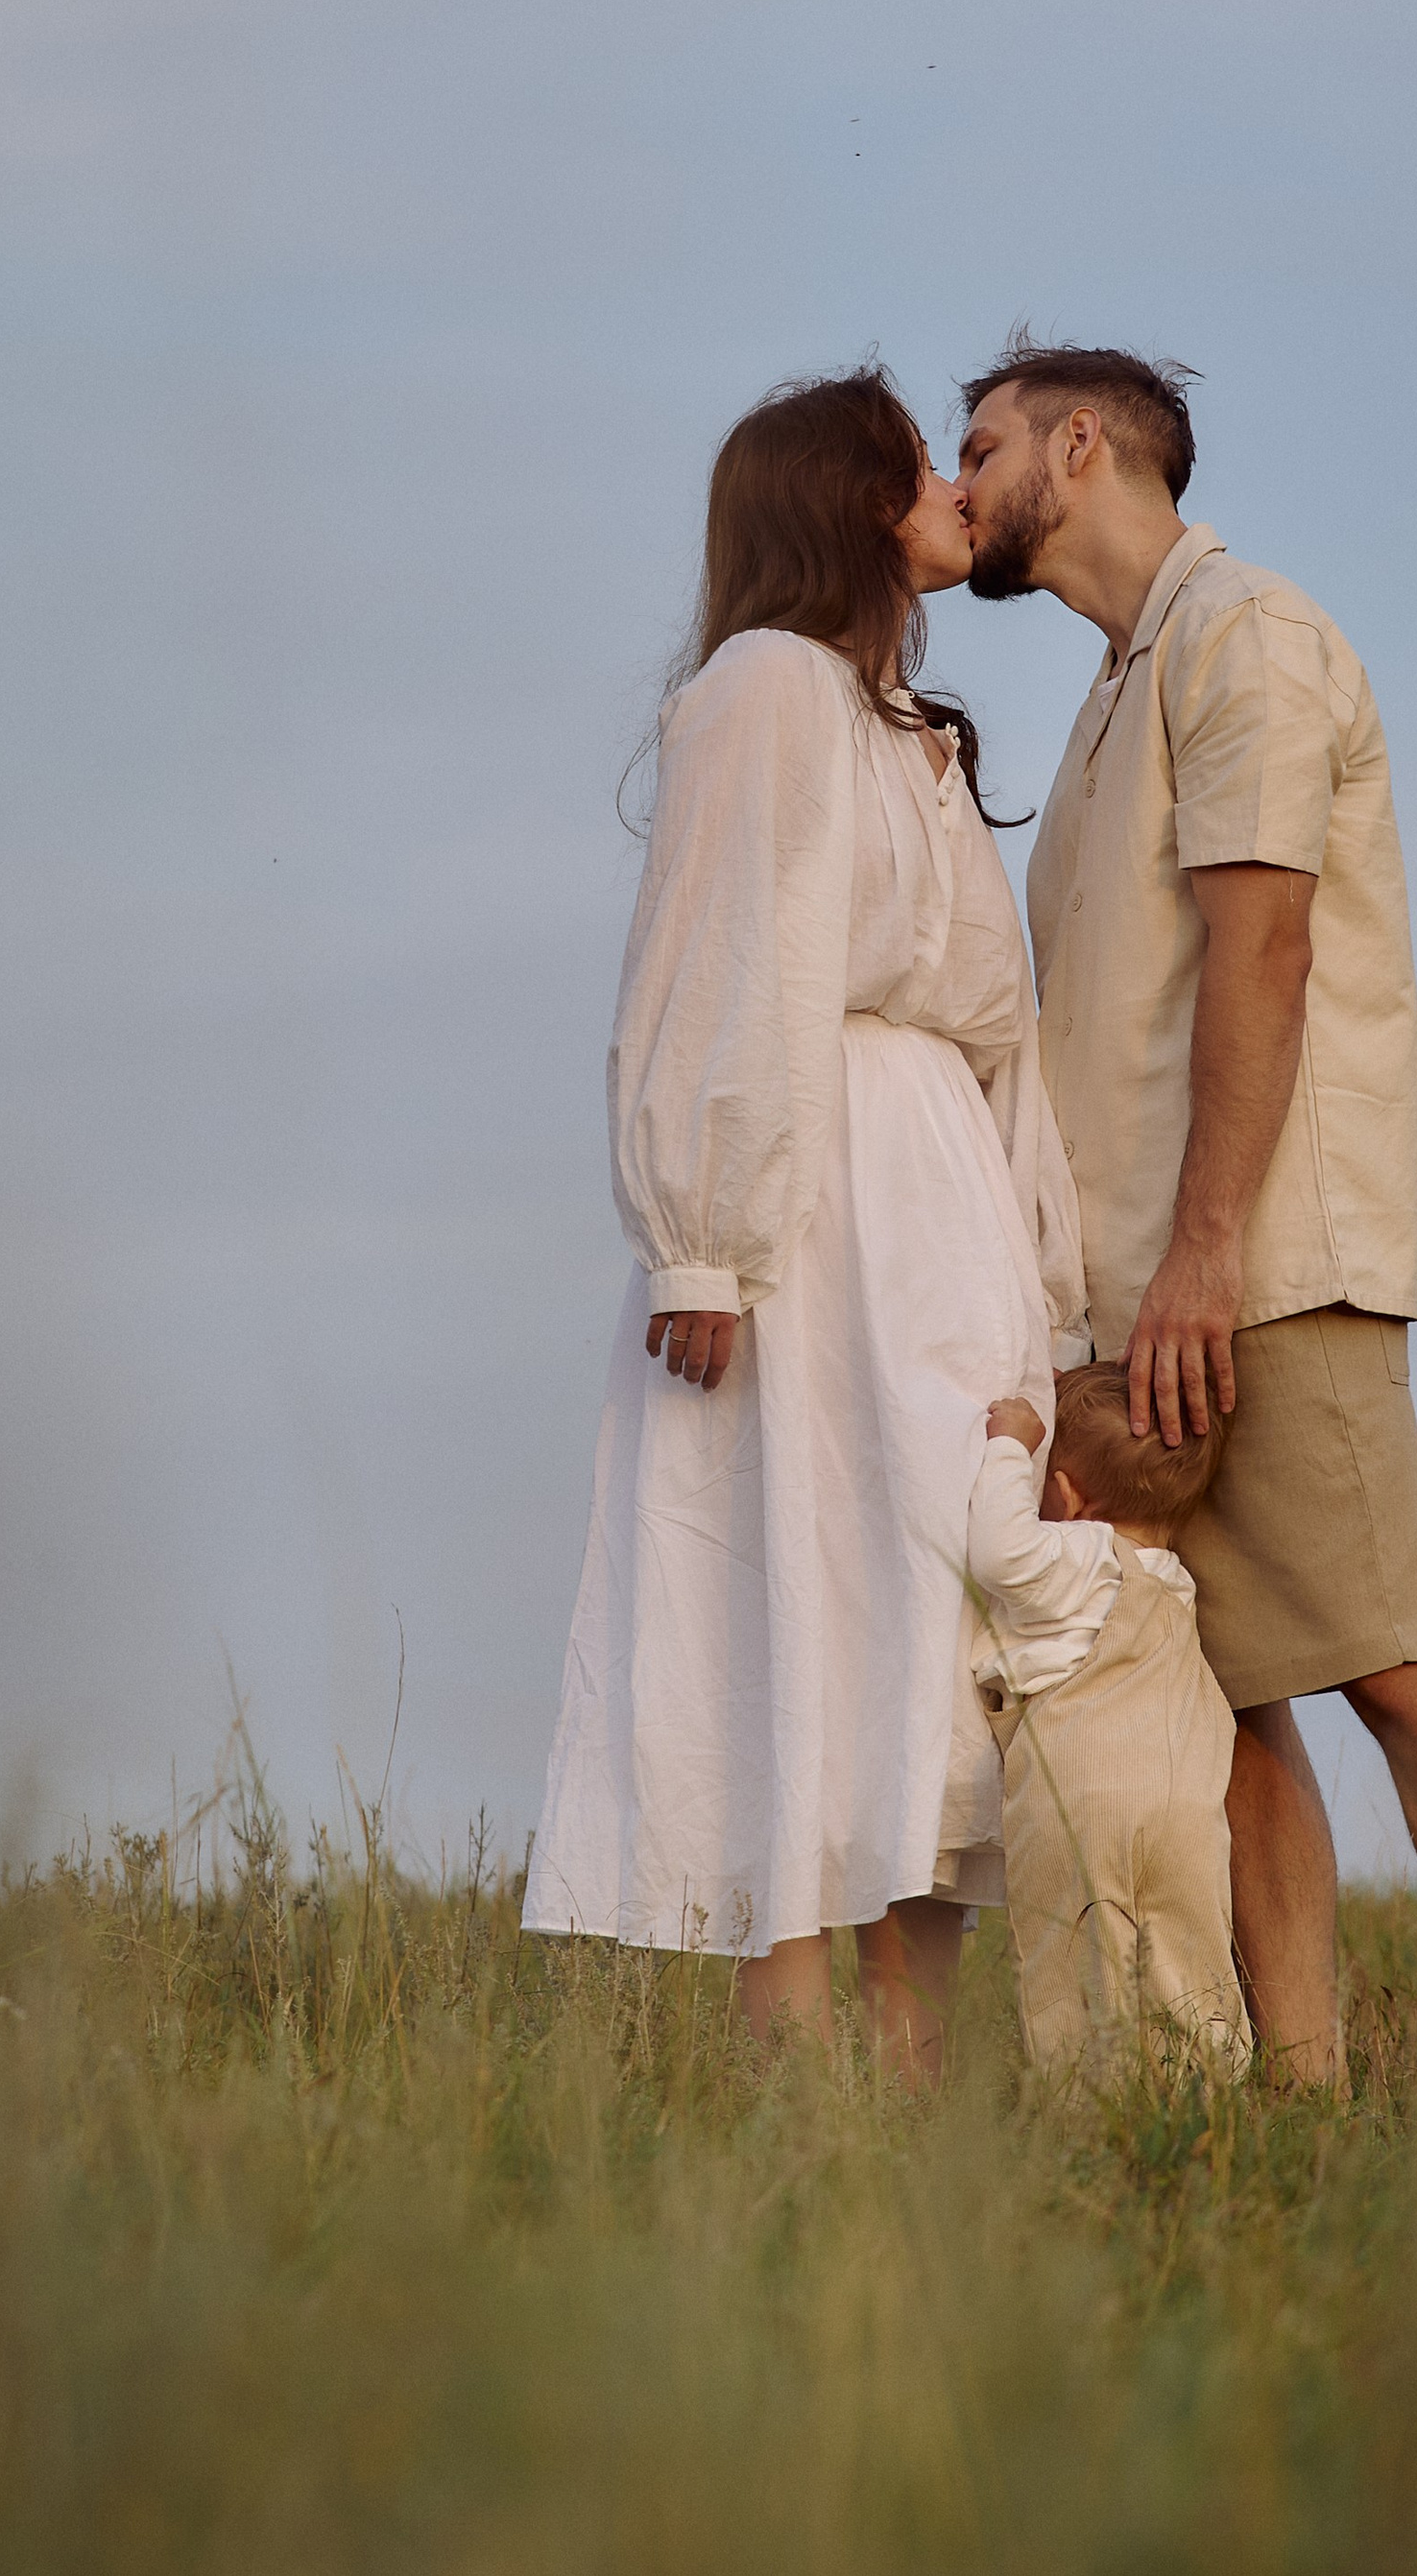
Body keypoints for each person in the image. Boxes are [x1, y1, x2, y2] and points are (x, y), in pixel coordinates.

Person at [956, 335, 1417, 2090]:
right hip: (1137, 1295)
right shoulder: (1111, 688)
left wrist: (1211, 1251)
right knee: (1227, 1704)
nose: (961, 477)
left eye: (985, 441)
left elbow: (1269, 943)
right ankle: (1299, 2099)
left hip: (1259, 1270)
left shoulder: (1250, 635)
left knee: (1394, 1665)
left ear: (1081, 446)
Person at [521, 368, 1088, 2084]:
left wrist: (1041, 1288)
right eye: (926, 463)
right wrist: (704, 1237)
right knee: (802, 1599)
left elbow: (1004, 1036)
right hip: (812, 1205)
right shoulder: (764, 690)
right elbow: (718, 958)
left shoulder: (910, 730)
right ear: (851, 501)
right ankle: (787, 2085)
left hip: (938, 1207)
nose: (954, 488)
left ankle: (907, 2075)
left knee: (939, 1615)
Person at [968, 1368, 1249, 2085]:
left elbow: (999, 1554)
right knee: (1191, 1960)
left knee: (1077, 1968)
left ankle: (1091, 2112)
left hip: (1081, 1801)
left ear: (1065, 1495)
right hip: (1186, 1811)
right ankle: (1207, 2104)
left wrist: (1007, 1446)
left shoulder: (1081, 1554)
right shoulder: (1176, 1580)